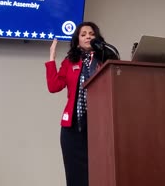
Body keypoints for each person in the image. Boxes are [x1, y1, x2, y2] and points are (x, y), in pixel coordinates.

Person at [45, 22, 118, 186]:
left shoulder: (106, 59)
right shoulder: (70, 61)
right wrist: (51, 59)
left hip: (99, 126)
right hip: (73, 127)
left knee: (100, 173)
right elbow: (54, 86)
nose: (88, 37)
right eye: (83, 34)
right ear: (77, 40)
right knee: (75, 175)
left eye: (91, 34)